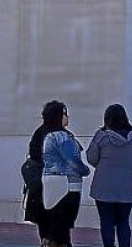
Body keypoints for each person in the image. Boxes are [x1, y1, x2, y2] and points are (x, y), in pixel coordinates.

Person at [87, 104, 132, 247]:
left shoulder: (101, 135)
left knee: (106, 221)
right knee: (124, 221)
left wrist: (104, 165)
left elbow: (91, 157)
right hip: (127, 186)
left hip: (104, 186)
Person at [41, 102, 90, 247]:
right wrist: (85, 170)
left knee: (57, 220)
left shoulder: (49, 136)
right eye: (65, 114)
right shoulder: (62, 137)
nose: (67, 117)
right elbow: (72, 159)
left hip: (52, 181)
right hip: (68, 183)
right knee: (64, 221)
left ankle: (53, 241)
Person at [24, 102, 59, 246]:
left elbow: (33, 154)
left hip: (40, 184)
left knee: (44, 220)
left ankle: (45, 241)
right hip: (56, 182)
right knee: (56, 219)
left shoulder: (39, 132)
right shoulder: (60, 135)